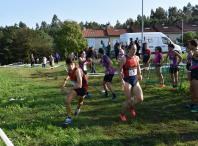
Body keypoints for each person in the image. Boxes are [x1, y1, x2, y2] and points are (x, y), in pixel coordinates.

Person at [118, 43, 143, 122]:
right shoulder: (124, 58)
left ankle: (131, 107)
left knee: (140, 99)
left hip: (135, 80)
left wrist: (140, 74)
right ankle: (122, 114)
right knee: (128, 100)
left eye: (135, 49)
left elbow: (138, 65)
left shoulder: (137, 57)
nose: (134, 51)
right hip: (127, 81)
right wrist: (122, 80)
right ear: (128, 49)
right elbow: (119, 70)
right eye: (133, 49)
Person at [60, 57, 88, 124]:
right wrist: (65, 81)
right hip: (75, 87)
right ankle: (69, 118)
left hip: (82, 88)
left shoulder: (78, 71)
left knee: (80, 101)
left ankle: (78, 108)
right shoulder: (69, 69)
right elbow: (69, 74)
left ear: (74, 64)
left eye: (72, 64)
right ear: (67, 65)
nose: (70, 66)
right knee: (67, 100)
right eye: (69, 64)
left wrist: (67, 88)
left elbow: (79, 85)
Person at [187, 39, 198, 112]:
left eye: (190, 45)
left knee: (196, 90)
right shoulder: (195, 52)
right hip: (194, 71)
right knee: (193, 89)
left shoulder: (196, 52)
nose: (189, 46)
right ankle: (192, 104)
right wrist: (193, 66)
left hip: (196, 73)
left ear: (193, 45)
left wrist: (195, 67)